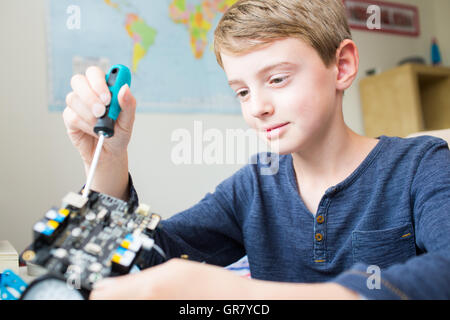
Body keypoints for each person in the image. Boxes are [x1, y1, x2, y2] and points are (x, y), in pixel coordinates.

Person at [63, 0, 450, 300]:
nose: (256, 107)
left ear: (343, 65)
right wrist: (107, 162)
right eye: (242, 91)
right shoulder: (253, 187)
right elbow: (144, 255)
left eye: (277, 79)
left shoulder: (421, 166)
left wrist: (244, 295)